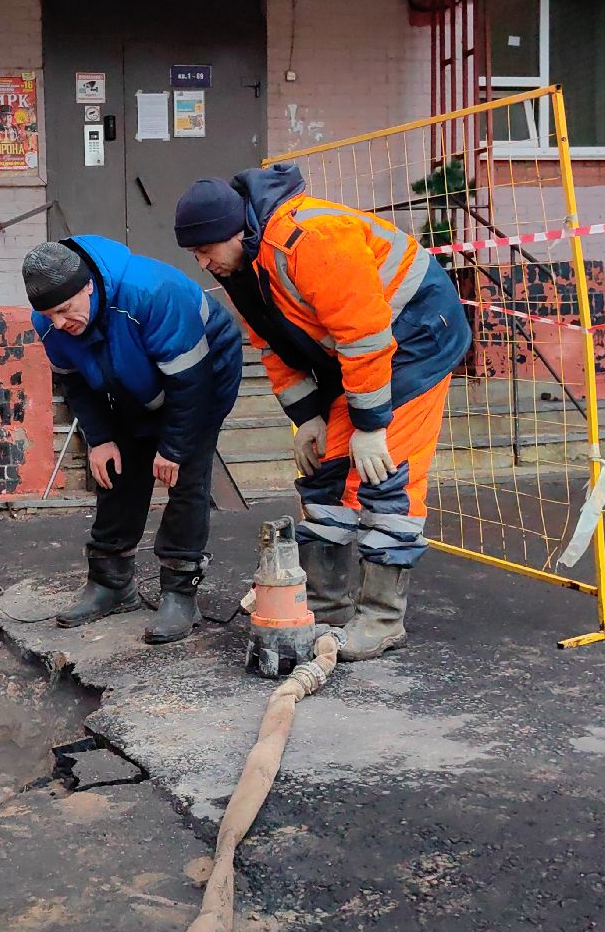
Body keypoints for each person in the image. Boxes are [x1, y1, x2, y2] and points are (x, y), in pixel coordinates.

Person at [173, 163, 472, 664]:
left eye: (205, 251)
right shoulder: (247, 267)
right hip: (358, 358)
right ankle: (325, 606)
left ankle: (381, 620)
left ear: (235, 234)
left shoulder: (309, 238)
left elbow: (366, 334)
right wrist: (309, 417)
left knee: (384, 477)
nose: (203, 264)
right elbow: (273, 346)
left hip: (417, 339)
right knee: (327, 473)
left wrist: (373, 426)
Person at [23, 237, 243, 644]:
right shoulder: (53, 321)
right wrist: (101, 439)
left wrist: (174, 447)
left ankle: (180, 592)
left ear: (87, 286)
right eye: (48, 315)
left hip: (199, 376)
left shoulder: (152, 293)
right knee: (116, 469)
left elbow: (189, 383)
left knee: (185, 476)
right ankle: (111, 583)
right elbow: (74, 383)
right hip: (126, 377)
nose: (57, 324)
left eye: (64, 311)